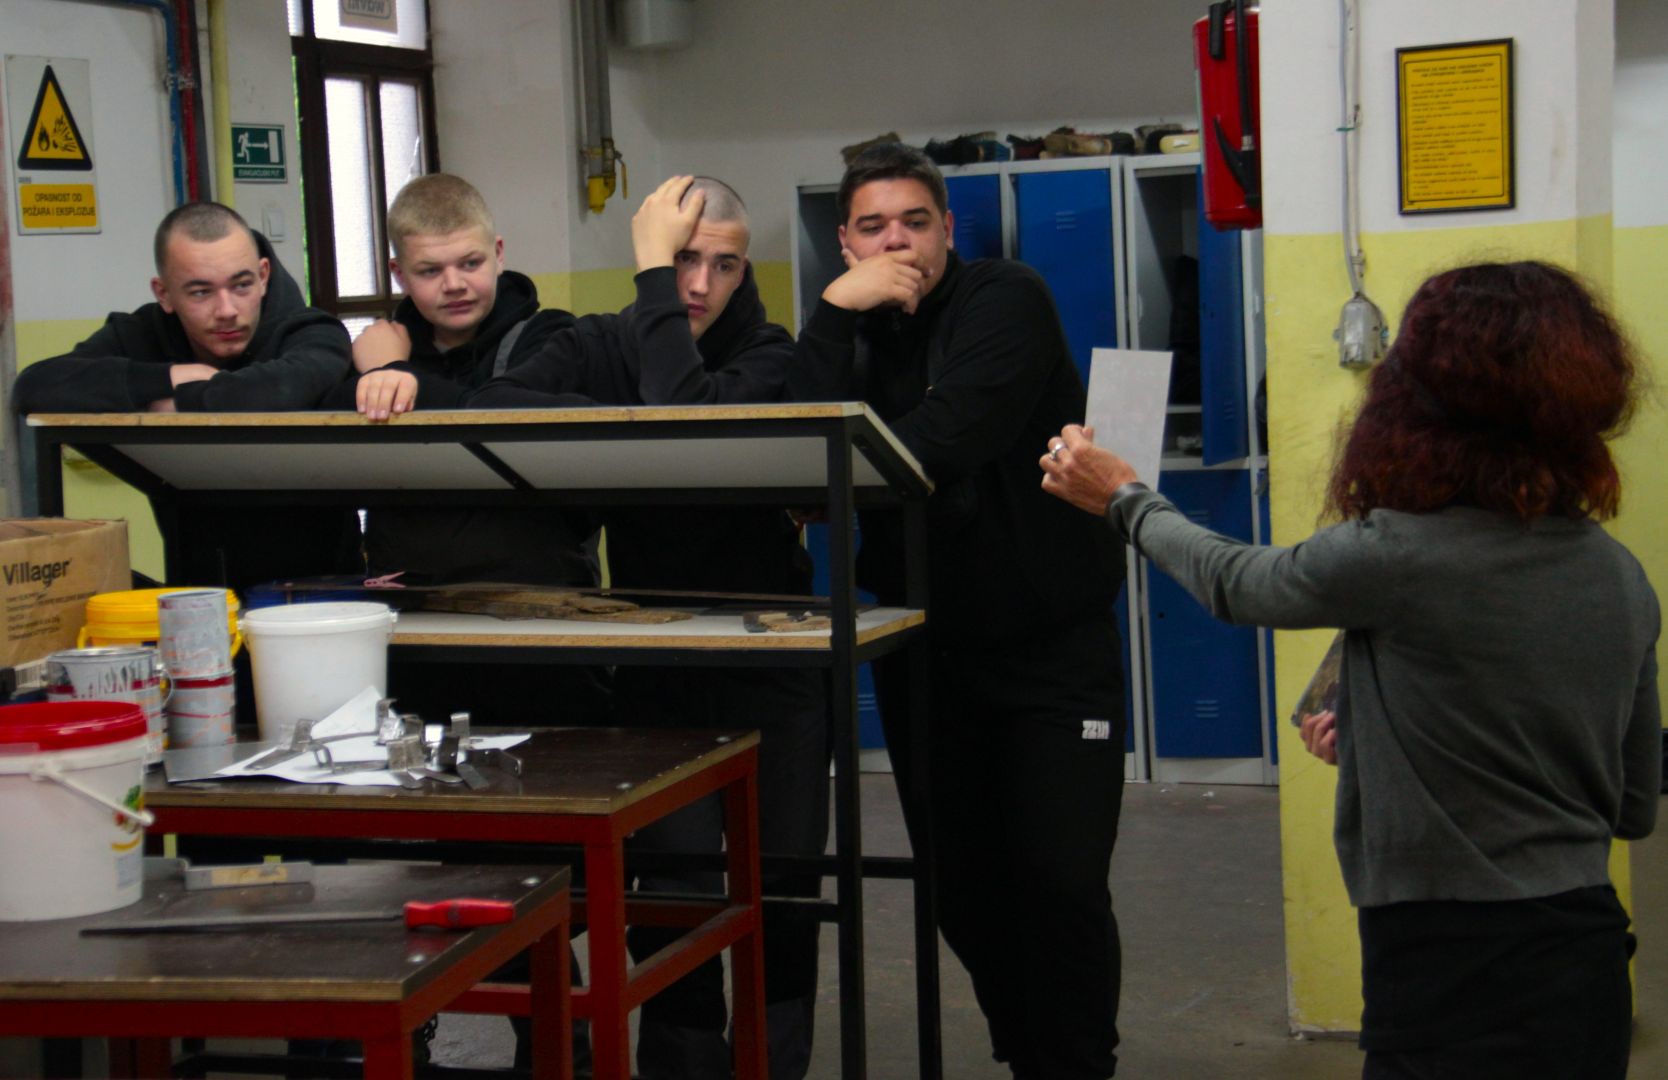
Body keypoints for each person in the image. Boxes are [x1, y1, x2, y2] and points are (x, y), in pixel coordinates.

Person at [1041, 260, 1661, 1080]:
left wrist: (1126, 498)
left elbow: (1237, 582)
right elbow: (1630, 803)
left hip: (1448, 962)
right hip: (1585, 960)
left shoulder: (1397, 554)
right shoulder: (1618, 574)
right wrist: (1386, 734)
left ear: (1417, 402)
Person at [472, 175, 827, 1080]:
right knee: (670, 883)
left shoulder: (771, 353)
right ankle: (683, 1063)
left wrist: (650, 298)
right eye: (679, 260)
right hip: (658, 658)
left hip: (772, 656)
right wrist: (615, 427)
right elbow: (497, 407)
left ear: (747, 271)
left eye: (723, 264)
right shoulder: (600, 343)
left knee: (784, 881)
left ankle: (775, 1062)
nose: (699, 284)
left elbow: (687, 421)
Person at [787, 143, 1127, 1080]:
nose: (897, 241)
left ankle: (1076, 1066)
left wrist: (829, 474)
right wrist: (831, 314)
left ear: (946, 228)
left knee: (1059, 882)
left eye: (915, 221)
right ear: (845, 242)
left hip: (1050, 651)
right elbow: (798, 463)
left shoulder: (1004, 298)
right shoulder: (852, 329)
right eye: (872, 227)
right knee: (964, 893)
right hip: (928, 653)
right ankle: (1029, 1055)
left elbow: (946, 438)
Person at [325, 173, 607, 727]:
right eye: (429, 271)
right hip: (414, 634)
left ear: (498, 253)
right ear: (398, 273)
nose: (453, 284)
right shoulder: (374, 352)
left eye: (470, 263)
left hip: (540, 632)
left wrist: (397, 375)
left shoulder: (554, 337)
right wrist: (380, 371)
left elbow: (499, 417)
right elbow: (331, 438)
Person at [12, 200, 358, 591]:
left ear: (264, 276)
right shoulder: (144, 334)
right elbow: (36, 386)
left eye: (241, 285)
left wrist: (184, 402)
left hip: (327, 592)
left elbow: (282, 388)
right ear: (164, 294)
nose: (226, 310)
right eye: (200, 292)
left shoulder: (312, 332)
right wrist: (167, 376)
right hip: (196, 594)